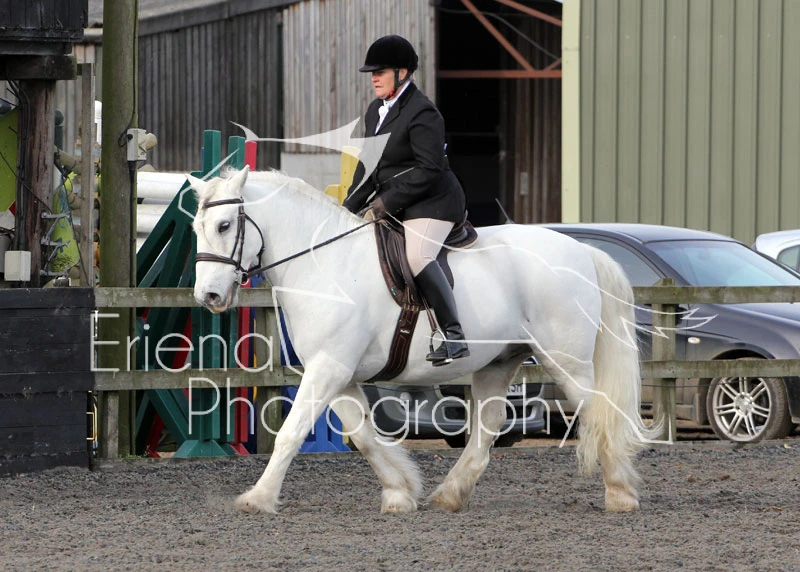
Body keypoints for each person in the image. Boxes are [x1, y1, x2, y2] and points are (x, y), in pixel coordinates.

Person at [343, 34, 469, 366]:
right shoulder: (375, 111)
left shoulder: (422, 112)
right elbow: (368, 166)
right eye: (372, 73)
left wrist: (386, 202)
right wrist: (345, 209)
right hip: (400, 202)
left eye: (380, 72)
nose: (374, 78)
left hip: (433, 202)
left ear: (402, 73)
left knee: (417, 255)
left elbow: (430, 169)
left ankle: (453, 335)